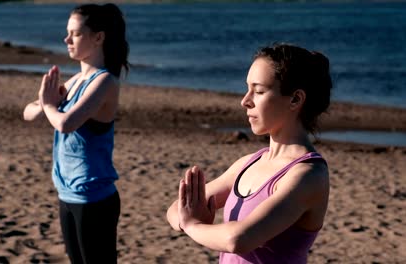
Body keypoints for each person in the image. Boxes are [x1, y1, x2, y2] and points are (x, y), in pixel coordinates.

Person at [166, 43, 332, 263]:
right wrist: (191, 222)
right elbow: (176, 209)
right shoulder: (248, 163)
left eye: (259, 90)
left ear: (295, 99)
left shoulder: (308, 175)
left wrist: (191, 224)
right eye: (247, 88)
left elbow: (239, 239)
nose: (245, 101)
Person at [23, 3, 129, 264]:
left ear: (99, 37)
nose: (66, 39)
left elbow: (66, 123)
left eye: (75, 33)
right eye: (67, 33)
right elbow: (28, 112)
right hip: (66, 193)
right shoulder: (74, 81)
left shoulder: (105, 82)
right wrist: (44, 102)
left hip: (93, 197)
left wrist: (48, 105)